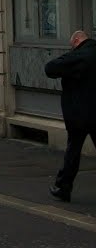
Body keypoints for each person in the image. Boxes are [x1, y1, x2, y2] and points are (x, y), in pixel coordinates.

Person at [44, 30, 96, 202]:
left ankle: (63, 187)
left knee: (73, 151)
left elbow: (50, 68)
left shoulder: (78, 56)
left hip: (79, 113)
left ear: (76, 41)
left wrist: (70, 56)